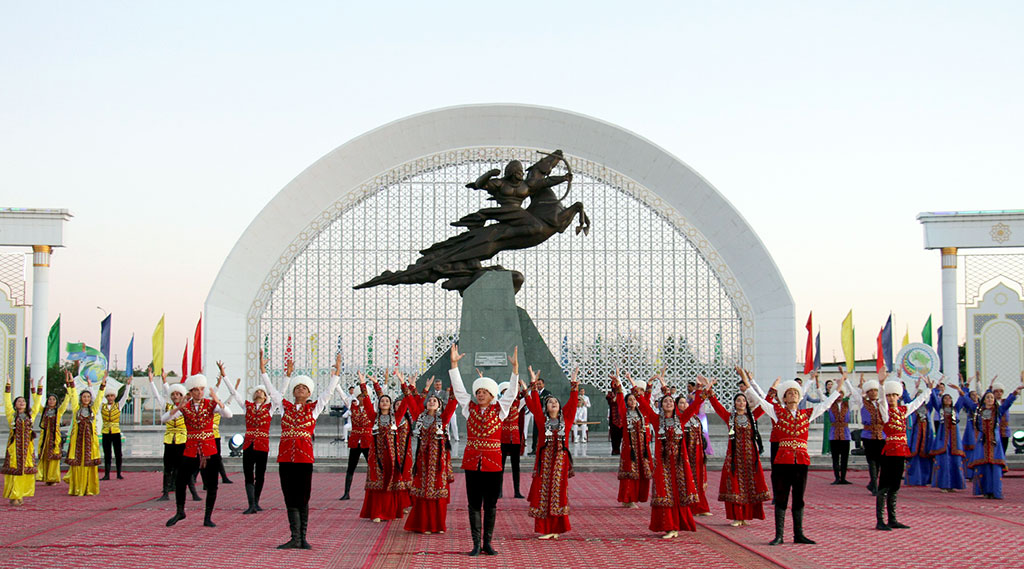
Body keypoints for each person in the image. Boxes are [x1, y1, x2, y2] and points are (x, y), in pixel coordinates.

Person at [744, 372, 839, 545]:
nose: (793, 395)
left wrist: (838, 391)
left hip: (801, 461)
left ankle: (798, 534)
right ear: (785, 399)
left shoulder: (806, 414)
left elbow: (825, 406)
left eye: (795, 393)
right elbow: (761, 401)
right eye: (789, 393)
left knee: (799, 497)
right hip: (783, 461)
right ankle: (779, 535)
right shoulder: (777, 412)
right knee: (781, 496)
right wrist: (748, 383)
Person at [448, 343, 520, 556]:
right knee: (473, 504)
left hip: (493, 464)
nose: (480, 395)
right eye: (478, 391)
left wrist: (515, 370)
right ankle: (475, 544)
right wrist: (454, 365)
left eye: (484, 392)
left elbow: (513, 393)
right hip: (472, 463)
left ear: (492, 395)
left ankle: (487, 542)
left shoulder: (500, 410)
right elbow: (460, 389)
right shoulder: (468, 409)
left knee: (490, 505)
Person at [271, 355, 341, 548]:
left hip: (304, 459)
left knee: (303, 496)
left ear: (309, 392)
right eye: (297, 387)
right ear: (293, 391)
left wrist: (336, 374)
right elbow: (274, 393)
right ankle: (294, 537)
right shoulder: (285, 409)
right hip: (286, 459)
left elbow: (327, 394)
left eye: (304, 387)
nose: (300, 389)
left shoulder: (313, 409)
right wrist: (287, 376)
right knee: (289, 496)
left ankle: (302, 537)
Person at [630, 370, 706, 539]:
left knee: (678, 494)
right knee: (665, 494)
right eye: (666, 401)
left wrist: (700, 388)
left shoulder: (682, 418)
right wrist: (634, 383)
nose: (669, 403)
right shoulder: (656, 420)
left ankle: (677, 525)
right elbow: (642, 404)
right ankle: (669, 526)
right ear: (661, 406)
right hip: (663, 465)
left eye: (671, 401)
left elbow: (695, 405)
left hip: (679, 464)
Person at [165, 372, 233, 528]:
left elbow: (228, 415)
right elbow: (164, 419)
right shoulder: (185, 406)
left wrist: (219, 402)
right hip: (191, 448)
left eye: (201, 389)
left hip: (209, 448)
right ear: (190, 392)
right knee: (181, 480)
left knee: (212, 484)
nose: (199, 392)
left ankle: (207, 517)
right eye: (196, 390)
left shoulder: (210, 404)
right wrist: (177, 408)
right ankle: (180, 511)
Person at [705, 377, 770, 527]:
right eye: (738, 401)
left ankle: (746, 516)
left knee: (749, 485)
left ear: (747, 403)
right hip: (734, 457)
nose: (741, 403)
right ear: (734, 404)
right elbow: (715, 404)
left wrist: (772, 389)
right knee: (735, 486)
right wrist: (709, 388)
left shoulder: (752, 417)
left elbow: (766, 404)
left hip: (750, 457)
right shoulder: (729, 418)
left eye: (743, 401)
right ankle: (737, 516)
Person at [524, 366, 579, 539]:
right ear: (546, 407)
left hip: (560, 462)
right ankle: (546, 528)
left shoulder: (567, 418)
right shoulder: (541, 420)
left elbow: (574, 401)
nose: (553, 403)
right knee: (542, 492)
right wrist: (533, 383)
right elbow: (533, 404)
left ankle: (556, 529)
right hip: (544, 463)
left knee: (558, 493)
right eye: (549, 402)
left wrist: (574, 381)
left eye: (555, 402)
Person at [873, 376, 929, 530]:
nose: (891, 398)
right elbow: (883, 403)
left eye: (893, 395)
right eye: (888, 395)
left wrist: (928, 390)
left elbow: (916, 403)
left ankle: (892, 518)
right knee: (884, 485)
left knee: (895, 485)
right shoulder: (885, 412)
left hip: (901, 451)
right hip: (889, 451)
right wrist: (882, 384)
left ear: (899, 396)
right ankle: (880, 520)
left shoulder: (903, 411)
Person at [403, 379, 458, 534]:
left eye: (435, 400)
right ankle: (424, 524)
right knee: (423, 490)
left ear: (440, 405)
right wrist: (405, 383)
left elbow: (453, 402)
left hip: (439, 461)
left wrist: (454, 379)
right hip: (423, 460)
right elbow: (410, 400)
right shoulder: (419, 417)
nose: (432, 401)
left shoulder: (443, 418)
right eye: (430, 400)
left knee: (438, 490)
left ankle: (438, 524)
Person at [223, 358, 275, 514]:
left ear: (266, 397)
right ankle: (250, 503)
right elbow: (234, 393)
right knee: (248, 474)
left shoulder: (270, 408)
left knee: (260, 474)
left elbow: (276, 392)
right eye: (257, 391)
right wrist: (225, 376)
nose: (259, 393)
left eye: (262, 392)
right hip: (248, 445)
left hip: (262, 445)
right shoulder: (247, 406)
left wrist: (263, 369)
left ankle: (256, 502)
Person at [960, 376, 1022, 500]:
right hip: (982, 443)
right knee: (984, 468)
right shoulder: (978, 410)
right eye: (988, 397)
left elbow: (1008, 402)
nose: (989, 399)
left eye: (991, 398)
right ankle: (985, 491)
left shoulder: (998, 410)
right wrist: (961, 390)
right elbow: (967, 402)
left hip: (995, 443)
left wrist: (1016, 391)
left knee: (995, 468)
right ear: (984, 399)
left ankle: (996, 492)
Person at [149, 367, 201, 502]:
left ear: (182, 396)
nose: (175, 396)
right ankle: (165, 492)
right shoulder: (167, 407)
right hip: (169, 440)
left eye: (178, 394)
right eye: (173, 395)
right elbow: (157, 396)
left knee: (186, 467)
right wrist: (152, 381)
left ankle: (194, 493)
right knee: (168, 468)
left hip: (182, 440)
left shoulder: (187, 407)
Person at [609, 373, 651, 509]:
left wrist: (647, 385)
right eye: (630, 400)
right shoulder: (624, 412)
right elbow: (620, 399)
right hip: (629, 448)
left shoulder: (642, 412)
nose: (632, 402)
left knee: (641, 472)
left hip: (642, 448)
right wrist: (619, 383)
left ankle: (638, 496)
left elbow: (646, 399)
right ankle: (628, 499)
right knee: (630, 473)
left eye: (634, 400)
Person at [4, 376, 42, 505]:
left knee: (24, 471)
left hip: (27, 447)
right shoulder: (11, 415)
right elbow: (7, 402)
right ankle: (14, 495)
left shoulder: (30, 416)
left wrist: (37, 388)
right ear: (15, 404)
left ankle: (20, 494)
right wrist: (8, 386)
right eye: (19, 401)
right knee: (15, 471)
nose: (21, 403)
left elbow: (37, 404)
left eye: (24, 401)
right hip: (14, 447)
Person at [66, 373, 105, 497]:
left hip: (90, 442)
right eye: (84, 396)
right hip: (77, 442)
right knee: (78, 464)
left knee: (89, 465)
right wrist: (72, 383)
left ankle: (89, 488)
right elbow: (72, 396)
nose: (86, 398)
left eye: (88, 396)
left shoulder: (93, 410)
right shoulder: (76, 409)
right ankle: (77, 488)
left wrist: (102, 385)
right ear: (81, 398)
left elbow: (99, 398)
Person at [339, 372, 373, 501]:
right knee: (350, 467)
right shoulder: (353, 407)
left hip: (367, 440)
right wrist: (336, 381)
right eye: (360, 396)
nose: (362, 398)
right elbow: (343, 396)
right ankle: (346, 492)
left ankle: (372, 491)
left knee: (372, 466)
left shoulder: (372, 408)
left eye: (364, 396)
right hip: (355, 441)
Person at [928, 381, 967, 492]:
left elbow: (962, 399)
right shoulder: (940, 409)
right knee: (944, 461)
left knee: (955, 461)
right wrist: (931, 389)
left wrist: (959, 390)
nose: (948, 400)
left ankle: (953, 485)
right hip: (943, 438)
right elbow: (934, 399)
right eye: (945, 398)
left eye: (949, 398)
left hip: (954, 438)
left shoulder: (956, 409)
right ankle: (944, 485)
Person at [35, 377, 69, 485]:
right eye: (50, 399)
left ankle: (52, 478)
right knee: (44, 457)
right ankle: (44, 476)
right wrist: (38, 388)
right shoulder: (43, 410)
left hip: (54, 438)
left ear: (56, 401)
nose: (51, 401)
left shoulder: (58, 411)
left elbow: (66, 402)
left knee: (54, 457)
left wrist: (68, 388)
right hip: (45, 438)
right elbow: (36, 403)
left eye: (54, 399)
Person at [827, 369, 857, 485]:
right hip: (834, 434)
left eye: (841, 393)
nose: (839, 396)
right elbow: (820, 395)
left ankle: (843, 477)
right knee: (835, 457)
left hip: (845, 434)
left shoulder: (848, 403)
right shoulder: (830, 404)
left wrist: (845, 379)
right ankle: (836, 477)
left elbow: (854, 393)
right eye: (838, 393)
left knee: (844, 457)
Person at [499, 379, 527, 499]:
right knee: (500, 467)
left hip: (515, 439)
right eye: (505, 392)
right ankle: (499, 491)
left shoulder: (517, 404)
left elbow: (528, 398)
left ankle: (517, 491)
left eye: (509, 392)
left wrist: (524, 387)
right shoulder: (499, 405)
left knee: (516, 466)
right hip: (502, 439)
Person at [100, 377, 132, 480]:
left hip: (115, 431)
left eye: (112, 396)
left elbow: (125, 396)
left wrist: (128, 385)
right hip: (105, 431)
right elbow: (95, 398)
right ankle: (107, 474)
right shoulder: (102, 406)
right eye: (108, 396)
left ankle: (118, 473)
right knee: (107, 453)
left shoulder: (118, 406)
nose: (110, 398)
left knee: (118, 453)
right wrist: (98, 384)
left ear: (114, 397)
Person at [904, 376, 934, 487]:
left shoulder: (928, 407)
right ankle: (914, 479)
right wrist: (908, 388)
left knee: (925, 456)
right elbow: (907, 399)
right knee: (915, 456)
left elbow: (934, 400)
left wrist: (929, 388)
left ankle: (926, 479)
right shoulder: (913, 407)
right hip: (916, 434)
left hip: (927, 435)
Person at [859, 374, 885, 495]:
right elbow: (855, 393)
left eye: (876, 390)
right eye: (871, 391)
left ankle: (873, 483)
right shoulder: (863, 403)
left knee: (880, 461)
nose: (874, 393)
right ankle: (874, 485)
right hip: (868, 436)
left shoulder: (882, 403)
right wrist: (846, 380)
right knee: (872, 461)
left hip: (881, 435)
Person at [606, 386, 623, 456]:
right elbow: (613, 401)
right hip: (613, 419)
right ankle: (615, 449)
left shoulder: (623, 393)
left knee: (622, 435)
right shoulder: (610, 395)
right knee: (614, 436)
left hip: (622, 419)